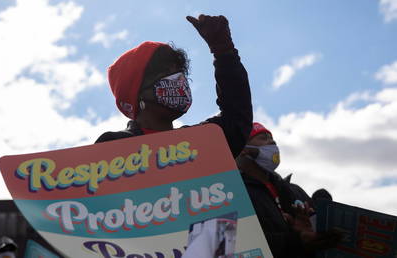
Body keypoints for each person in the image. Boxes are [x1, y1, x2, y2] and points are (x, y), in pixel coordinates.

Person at [95, 14, 252, 159]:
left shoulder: (202, 141)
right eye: (165, 72)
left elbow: (237, 117)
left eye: (179, 72)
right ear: (137, 93)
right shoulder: (113, 146)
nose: (178, 80)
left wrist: (224, 53)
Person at [236, 122, 340, 258]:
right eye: (263, 137)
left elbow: (316, 238)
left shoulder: (295, 191)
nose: (272, 141)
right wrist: (297, 240)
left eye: (272, 138)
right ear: (244, 149)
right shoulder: (236, 194)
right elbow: (242, 245)